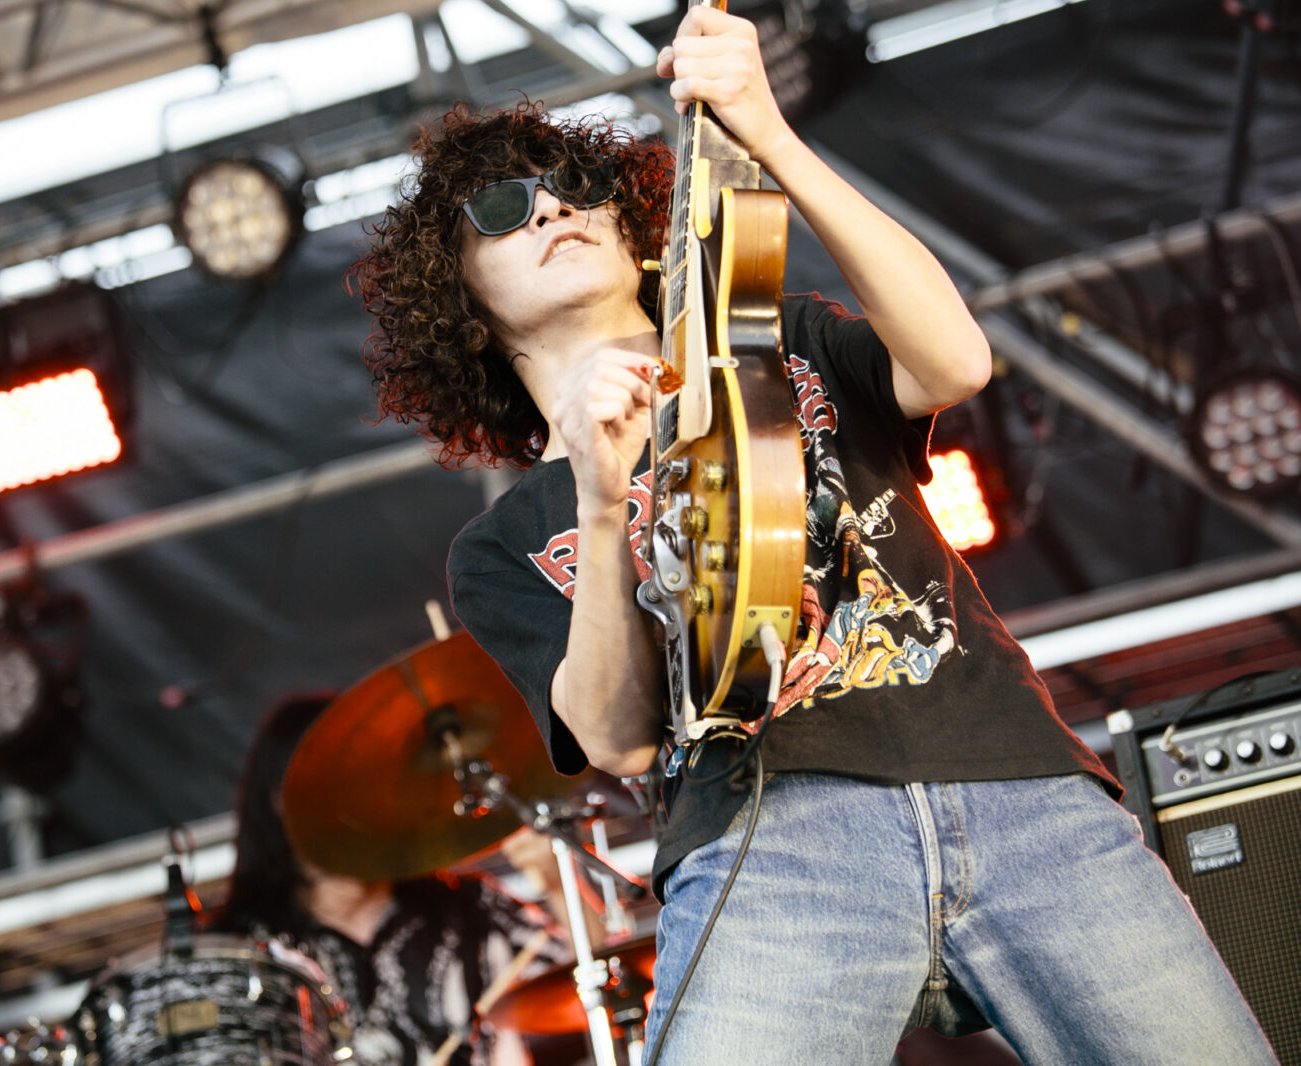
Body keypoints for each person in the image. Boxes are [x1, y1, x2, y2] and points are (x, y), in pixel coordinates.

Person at [350, 6, 1277, 1064]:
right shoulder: (503, 542)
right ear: (460, 301)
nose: (553, 206)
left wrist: (771, 136)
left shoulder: (784, 339)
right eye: (502, 206)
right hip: (770, 835)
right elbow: (617, 738)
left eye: (572, 184)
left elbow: (956, 362)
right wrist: (603, 508)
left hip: (1014, 779)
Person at [207, 692, 576, 1066]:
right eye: (331, 785)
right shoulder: (237, 951)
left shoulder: (468, 904)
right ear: (278, 800)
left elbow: (595, 980)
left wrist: (558, 882)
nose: (354, 802)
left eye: (364, 781)